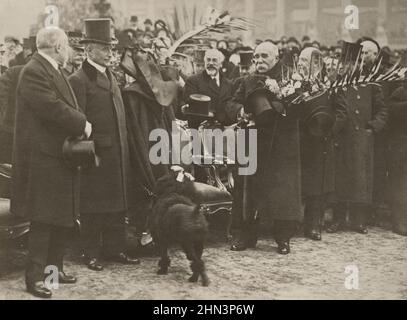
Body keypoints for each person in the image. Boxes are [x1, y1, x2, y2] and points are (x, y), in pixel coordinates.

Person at [12, 27, 90, 298]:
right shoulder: (34, 70)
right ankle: (34, 279)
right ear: (58, 46)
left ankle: (53, 273)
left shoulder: (53, 69)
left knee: (59, 218)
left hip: (57, 157)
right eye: (67, 45)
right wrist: (83, 123)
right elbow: (51, 107)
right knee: (43, 221)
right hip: (43, 159)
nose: (69, 51)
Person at [69, 18, 140, 272]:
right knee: (94, 204)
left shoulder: (111, 75)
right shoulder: (78, 79)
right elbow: (76, 120)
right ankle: (89, 251)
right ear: (88, 50)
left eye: (111, 47)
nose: (111, 52)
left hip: (118, 152)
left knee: (117, 203)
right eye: (105, 47)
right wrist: (87, 149)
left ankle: (115, 248)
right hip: (95, 153)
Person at [230, 41, 303, 255]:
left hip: (282, 144)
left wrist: (277, 108)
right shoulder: (247, 80)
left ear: (276, 57)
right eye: (256, 57)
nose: (259, 61)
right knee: (247, 190)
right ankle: (244, 235)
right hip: (252, 141)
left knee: (282, 192)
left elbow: (300, 107)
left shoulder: (291, 79)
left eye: (264, 56)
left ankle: (283, 238)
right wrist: (241, 110)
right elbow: (230, 103)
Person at [328, 38, 388, 234]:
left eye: (360, 58)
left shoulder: (370, 82)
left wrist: (372, 127)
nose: (356, 63)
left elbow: (381, 110)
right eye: (353, 59)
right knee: (340, 179)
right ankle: (338, 219)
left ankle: (358, 220)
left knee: (361, 181)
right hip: (342, 137)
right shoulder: (338, 82)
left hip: (362, 138)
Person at [297, 47, 347, 241]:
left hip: (320, 142)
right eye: (299, 59)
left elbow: (342, 113)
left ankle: (312, 225)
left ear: (316, 63)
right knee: (297, 182)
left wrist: (329, 132)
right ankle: (293, 221)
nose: (299, 63)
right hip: (298, 139)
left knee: (316, 186)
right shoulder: (295, 83)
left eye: (304, 60)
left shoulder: (331, 85)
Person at [184, 49, 241, 126]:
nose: (211, 63)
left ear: (221, 64)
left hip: (223, 129)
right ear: (205, 63)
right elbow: (190, 105)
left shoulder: (229, 84)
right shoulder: (193, 81)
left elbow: (230, 105)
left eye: (214, 60)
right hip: (200, 129)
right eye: (208, 60)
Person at [388, 82, 407, 236]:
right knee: (400, 184)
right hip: (401, 145)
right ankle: (399, 222)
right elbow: (392, 111)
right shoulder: (399, 92)